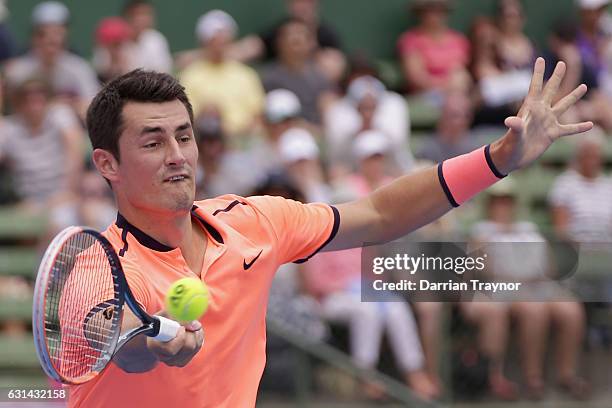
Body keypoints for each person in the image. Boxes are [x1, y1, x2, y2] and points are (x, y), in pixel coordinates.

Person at [70, 58, 592, 407]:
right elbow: (110, 341)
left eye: (184, 135)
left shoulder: (253, 222)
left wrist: (497, 160)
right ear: (107, 163)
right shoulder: (96, 269)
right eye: (153, 142)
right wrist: (151, 343)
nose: (178, 155)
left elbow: (380, 213)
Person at [4, 1, 100, 120]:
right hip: (26, 133)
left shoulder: (79, 67)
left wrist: (67, 106)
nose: (51, 40)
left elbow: (93, 108)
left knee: (61, 114)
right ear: (34, 37)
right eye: (43, 34)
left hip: (71, 130)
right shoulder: (17, 70)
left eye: (57, 34)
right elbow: (12, 112)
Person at [179, 10, 265, 140]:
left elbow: (259, 114)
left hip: (243, 141)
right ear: (204, 42)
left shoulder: (246, 75)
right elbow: (185, 117)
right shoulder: (190, 75)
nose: (219, 45)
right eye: (214, 40)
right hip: (205, 142)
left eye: (223, 39)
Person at [260, 18, 335, 125]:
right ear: (279, 43)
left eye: (301, 34)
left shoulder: (320, 77)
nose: (296, 38)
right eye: (290, 35)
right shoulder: (269, 77)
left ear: (311, 43)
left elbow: (327, 107)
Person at [397, 0, 471, 95]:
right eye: (429, 10)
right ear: (420, 13)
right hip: (426, 95)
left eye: (440, 10)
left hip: (458, 94)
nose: (434, 15)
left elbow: (461, 73)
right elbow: (416, 78)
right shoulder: (410, 40)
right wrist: (446, 87)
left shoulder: (459, 40)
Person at [122, 0, 173, 73]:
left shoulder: (156, 40)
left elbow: (163, 73)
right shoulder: (117, 41)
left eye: (145, 14)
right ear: (126, 16)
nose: (141, 19)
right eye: (136, 14)